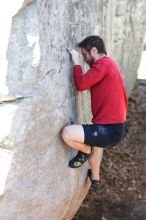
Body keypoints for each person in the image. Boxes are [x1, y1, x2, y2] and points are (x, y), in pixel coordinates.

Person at [62, 36, 128, 189]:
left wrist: (76, 63)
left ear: (94, 50)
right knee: (96, 141)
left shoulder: (103, 64)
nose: (85, 58)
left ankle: (86, 151)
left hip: (108, 130)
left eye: (85, 54)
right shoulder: (109, 64)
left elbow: (81, 84)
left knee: (67, 133)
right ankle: (95, 179)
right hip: (115, 128)